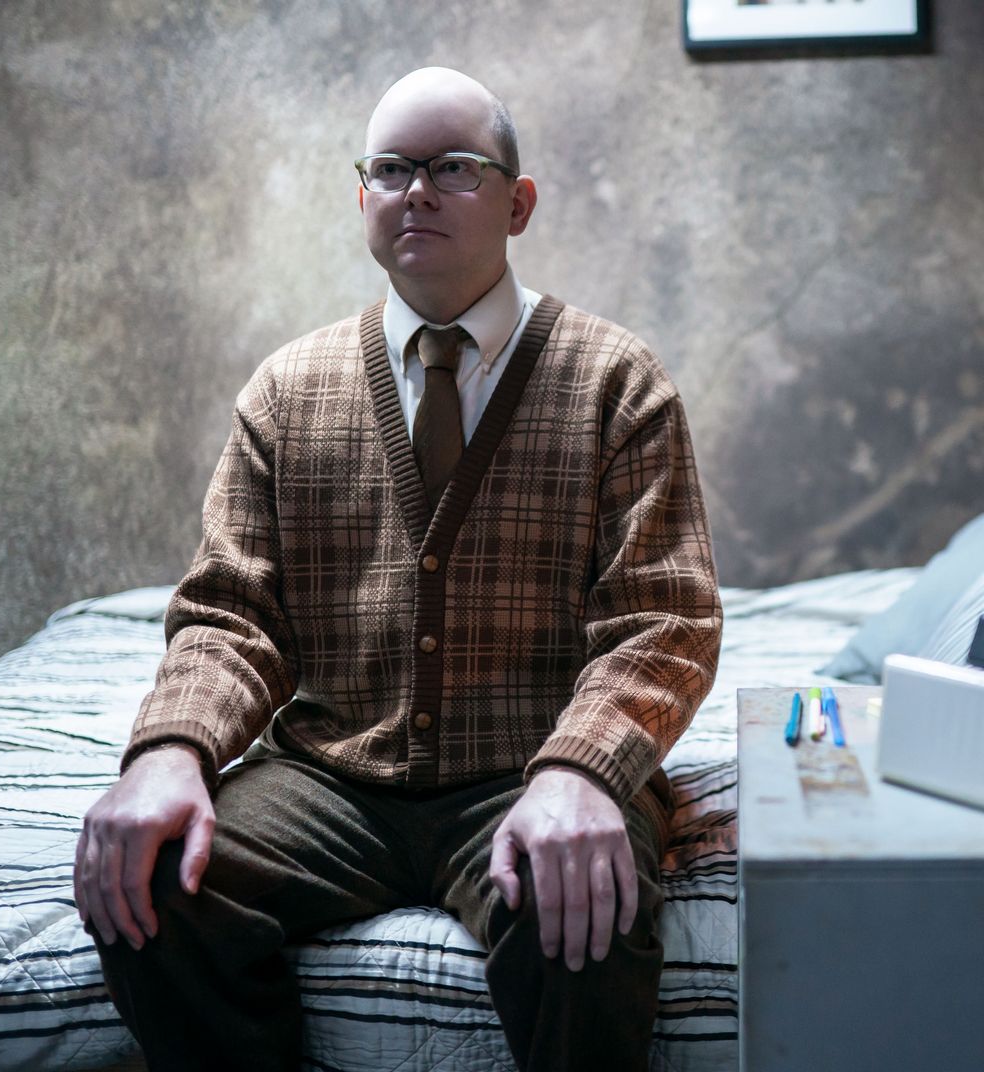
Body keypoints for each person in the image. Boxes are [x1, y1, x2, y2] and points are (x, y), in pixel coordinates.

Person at [75, 66, 723, 1072]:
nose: (416, 190)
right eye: (390, 169)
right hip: (330, 777)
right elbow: (230, 614)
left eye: (454, 167)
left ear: (518, 204)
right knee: (154, 882)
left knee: (584, 909)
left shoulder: (615, 381)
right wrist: (172, 750)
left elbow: (663, 619)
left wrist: (583, 771)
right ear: (362, 198)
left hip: (533, 767)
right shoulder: (288, 390)